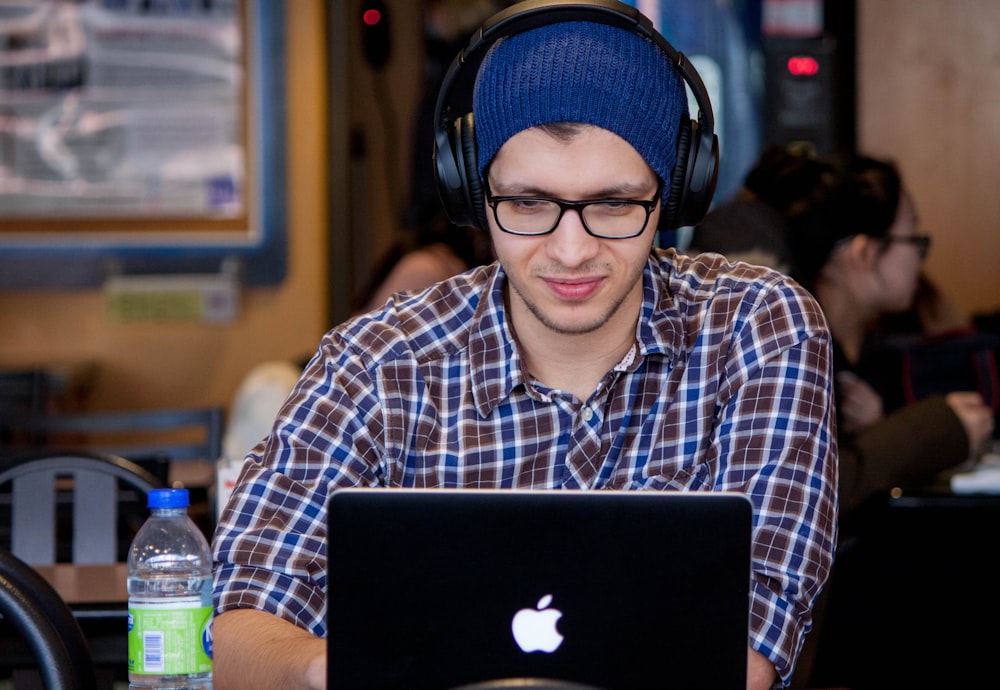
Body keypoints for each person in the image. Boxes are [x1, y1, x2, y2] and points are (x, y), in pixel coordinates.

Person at [211, 3, 838, 689]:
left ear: (674, 194)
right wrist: (338, 668)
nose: (572, 251)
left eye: (614, 204)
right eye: (529, 204)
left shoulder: (757, 328)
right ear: (472, 193)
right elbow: (242, 630)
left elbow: (744, 656)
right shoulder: (376, 361)